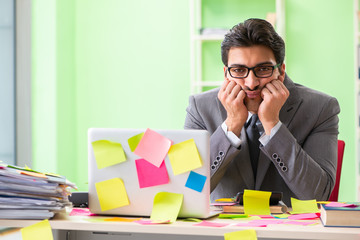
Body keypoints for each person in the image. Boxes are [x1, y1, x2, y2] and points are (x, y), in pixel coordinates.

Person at [184, 18, 340, 206]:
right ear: (226, 73)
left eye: (263, 69)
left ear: (280, 71)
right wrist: (231, 125)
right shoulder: (199, 108)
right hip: (225, 231)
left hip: (288, 232)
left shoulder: (321, 108)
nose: (251, 83)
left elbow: (317, 195)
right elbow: (190, 189)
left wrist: (273, 126)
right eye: (239, 70)